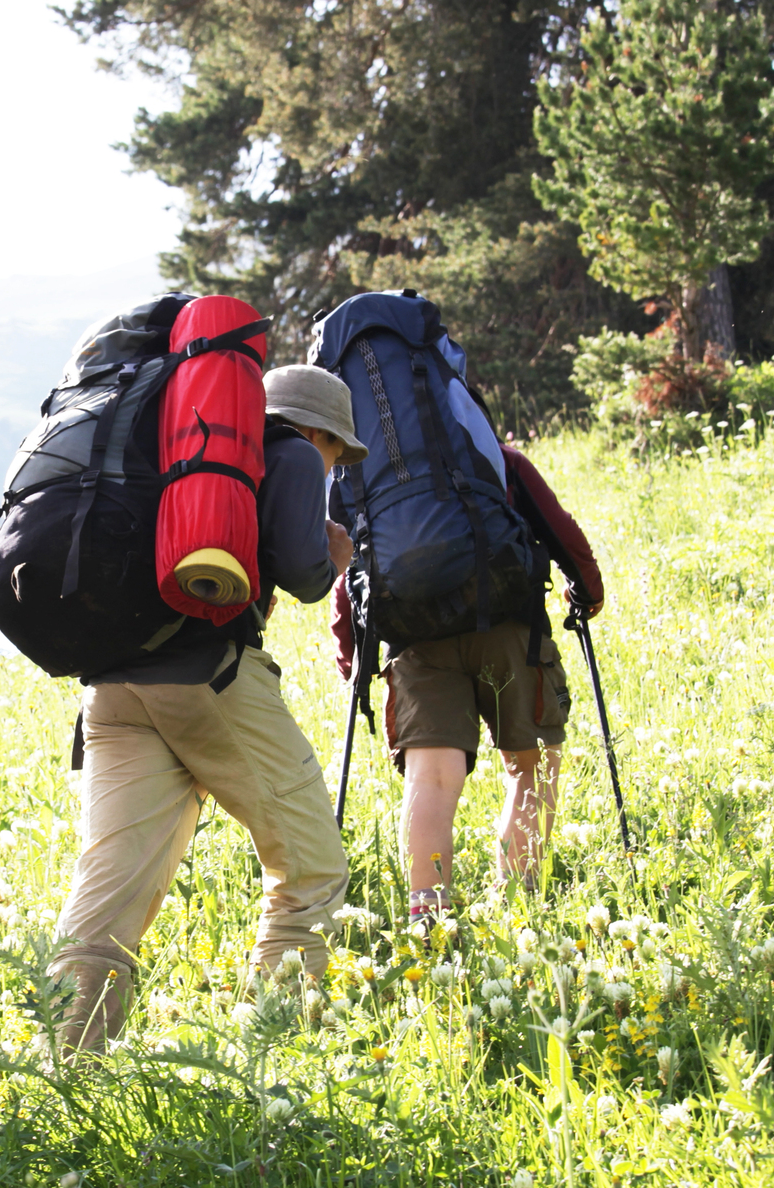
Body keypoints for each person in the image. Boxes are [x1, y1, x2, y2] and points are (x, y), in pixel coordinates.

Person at [49, 363, 363, 1054]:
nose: (334, 464)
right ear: (317, 431)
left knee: (108, 898)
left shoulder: (172, 449)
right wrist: (333, 552)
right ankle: (276, 1062)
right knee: (311, 868)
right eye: (337, 450)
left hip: (110, 689)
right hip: (208, 678)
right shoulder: (293, 455)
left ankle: (61, 1073)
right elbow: (308, 573)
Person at [333, 441, 602, 928]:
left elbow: (351, 567)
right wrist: (587, 590)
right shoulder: (492, 454)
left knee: (432, 779)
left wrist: (352, 655)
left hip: (414, 640)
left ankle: (430, 921)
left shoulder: (361, 472)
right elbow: (558, 527)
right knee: (530, 768)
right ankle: (518, 910)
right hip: (508, 624)